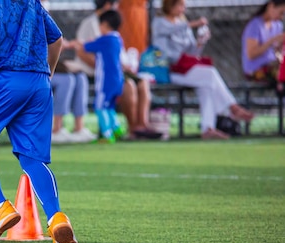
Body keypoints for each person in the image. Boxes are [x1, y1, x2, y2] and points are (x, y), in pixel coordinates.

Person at [0, 0, 79, 243]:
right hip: (39, 83)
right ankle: (57, 218)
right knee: (32, 158)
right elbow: (56, 40)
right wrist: (47, 74)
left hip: (6, 80)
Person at [152, 0, 254, 139]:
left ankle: (208, 128)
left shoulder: (183, 24)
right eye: (180, 5)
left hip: (186, 69)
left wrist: (200, 42)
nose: (183, 9)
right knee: (210, 74)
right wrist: (190, 25)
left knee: (207, 86)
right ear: (171, 5)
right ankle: (232, 107)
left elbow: (193, 53)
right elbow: (166, 53)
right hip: (169, 70)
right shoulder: (160, 23)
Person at [72, 0, 161, 140]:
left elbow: (83, 46)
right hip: (105, 72)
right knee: (127, 87)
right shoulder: (95, 25)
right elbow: (83, 52)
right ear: (108, 5)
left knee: (141, 83)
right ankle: (129, 127)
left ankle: (139, 125)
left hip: (112, 74)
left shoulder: (108, 33)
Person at [76, 10, 125, 143]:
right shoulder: (117, 39)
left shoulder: (105, 40)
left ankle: (107, 134)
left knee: (99, 106)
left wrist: (75, 43)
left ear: (104, 24)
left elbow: (85, 46)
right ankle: (116, 128)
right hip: (118, 80)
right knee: (109, 106)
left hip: (106, 82)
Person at [241, 0, 285, 85]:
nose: (281, 17)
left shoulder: (277, 25)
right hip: (255, 70)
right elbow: (251, 54)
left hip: (272, 66)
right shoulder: (255, 25)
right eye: (281, 13)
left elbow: (276, 51)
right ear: (271, 6)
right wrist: (272, 40)